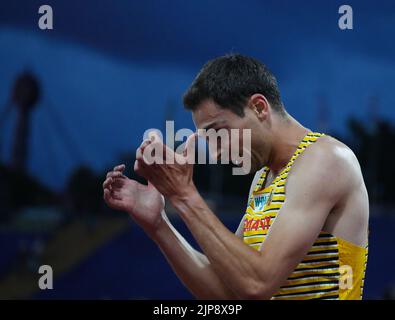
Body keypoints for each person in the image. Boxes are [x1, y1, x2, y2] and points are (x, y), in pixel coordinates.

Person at [103, 54, 369, 300]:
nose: (217, 154)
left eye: (219, 132)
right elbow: (229, 292)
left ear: (259, 107)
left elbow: (258, 284)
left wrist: (184, 195)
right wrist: (158, 224)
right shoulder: (264, 179)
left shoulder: (326, 160)